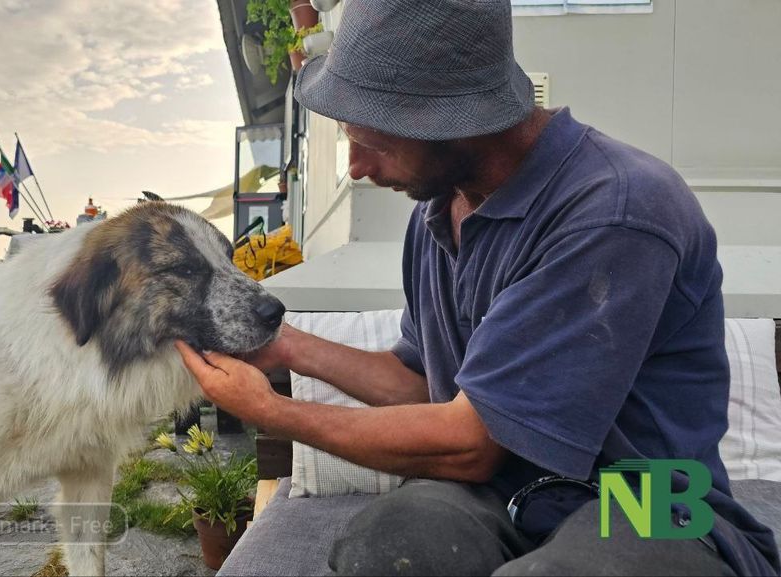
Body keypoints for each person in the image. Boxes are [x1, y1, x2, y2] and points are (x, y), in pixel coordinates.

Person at [175, 0, 780, 575]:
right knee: (391, 544)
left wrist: (271, 411)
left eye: (374, 142)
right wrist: (287, 347)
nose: (357, 167)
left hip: (649, 499)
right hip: (506, 493)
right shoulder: (436, 215)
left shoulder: (617, 209)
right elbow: (422, 385)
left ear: (456, 123)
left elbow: (470, 443)